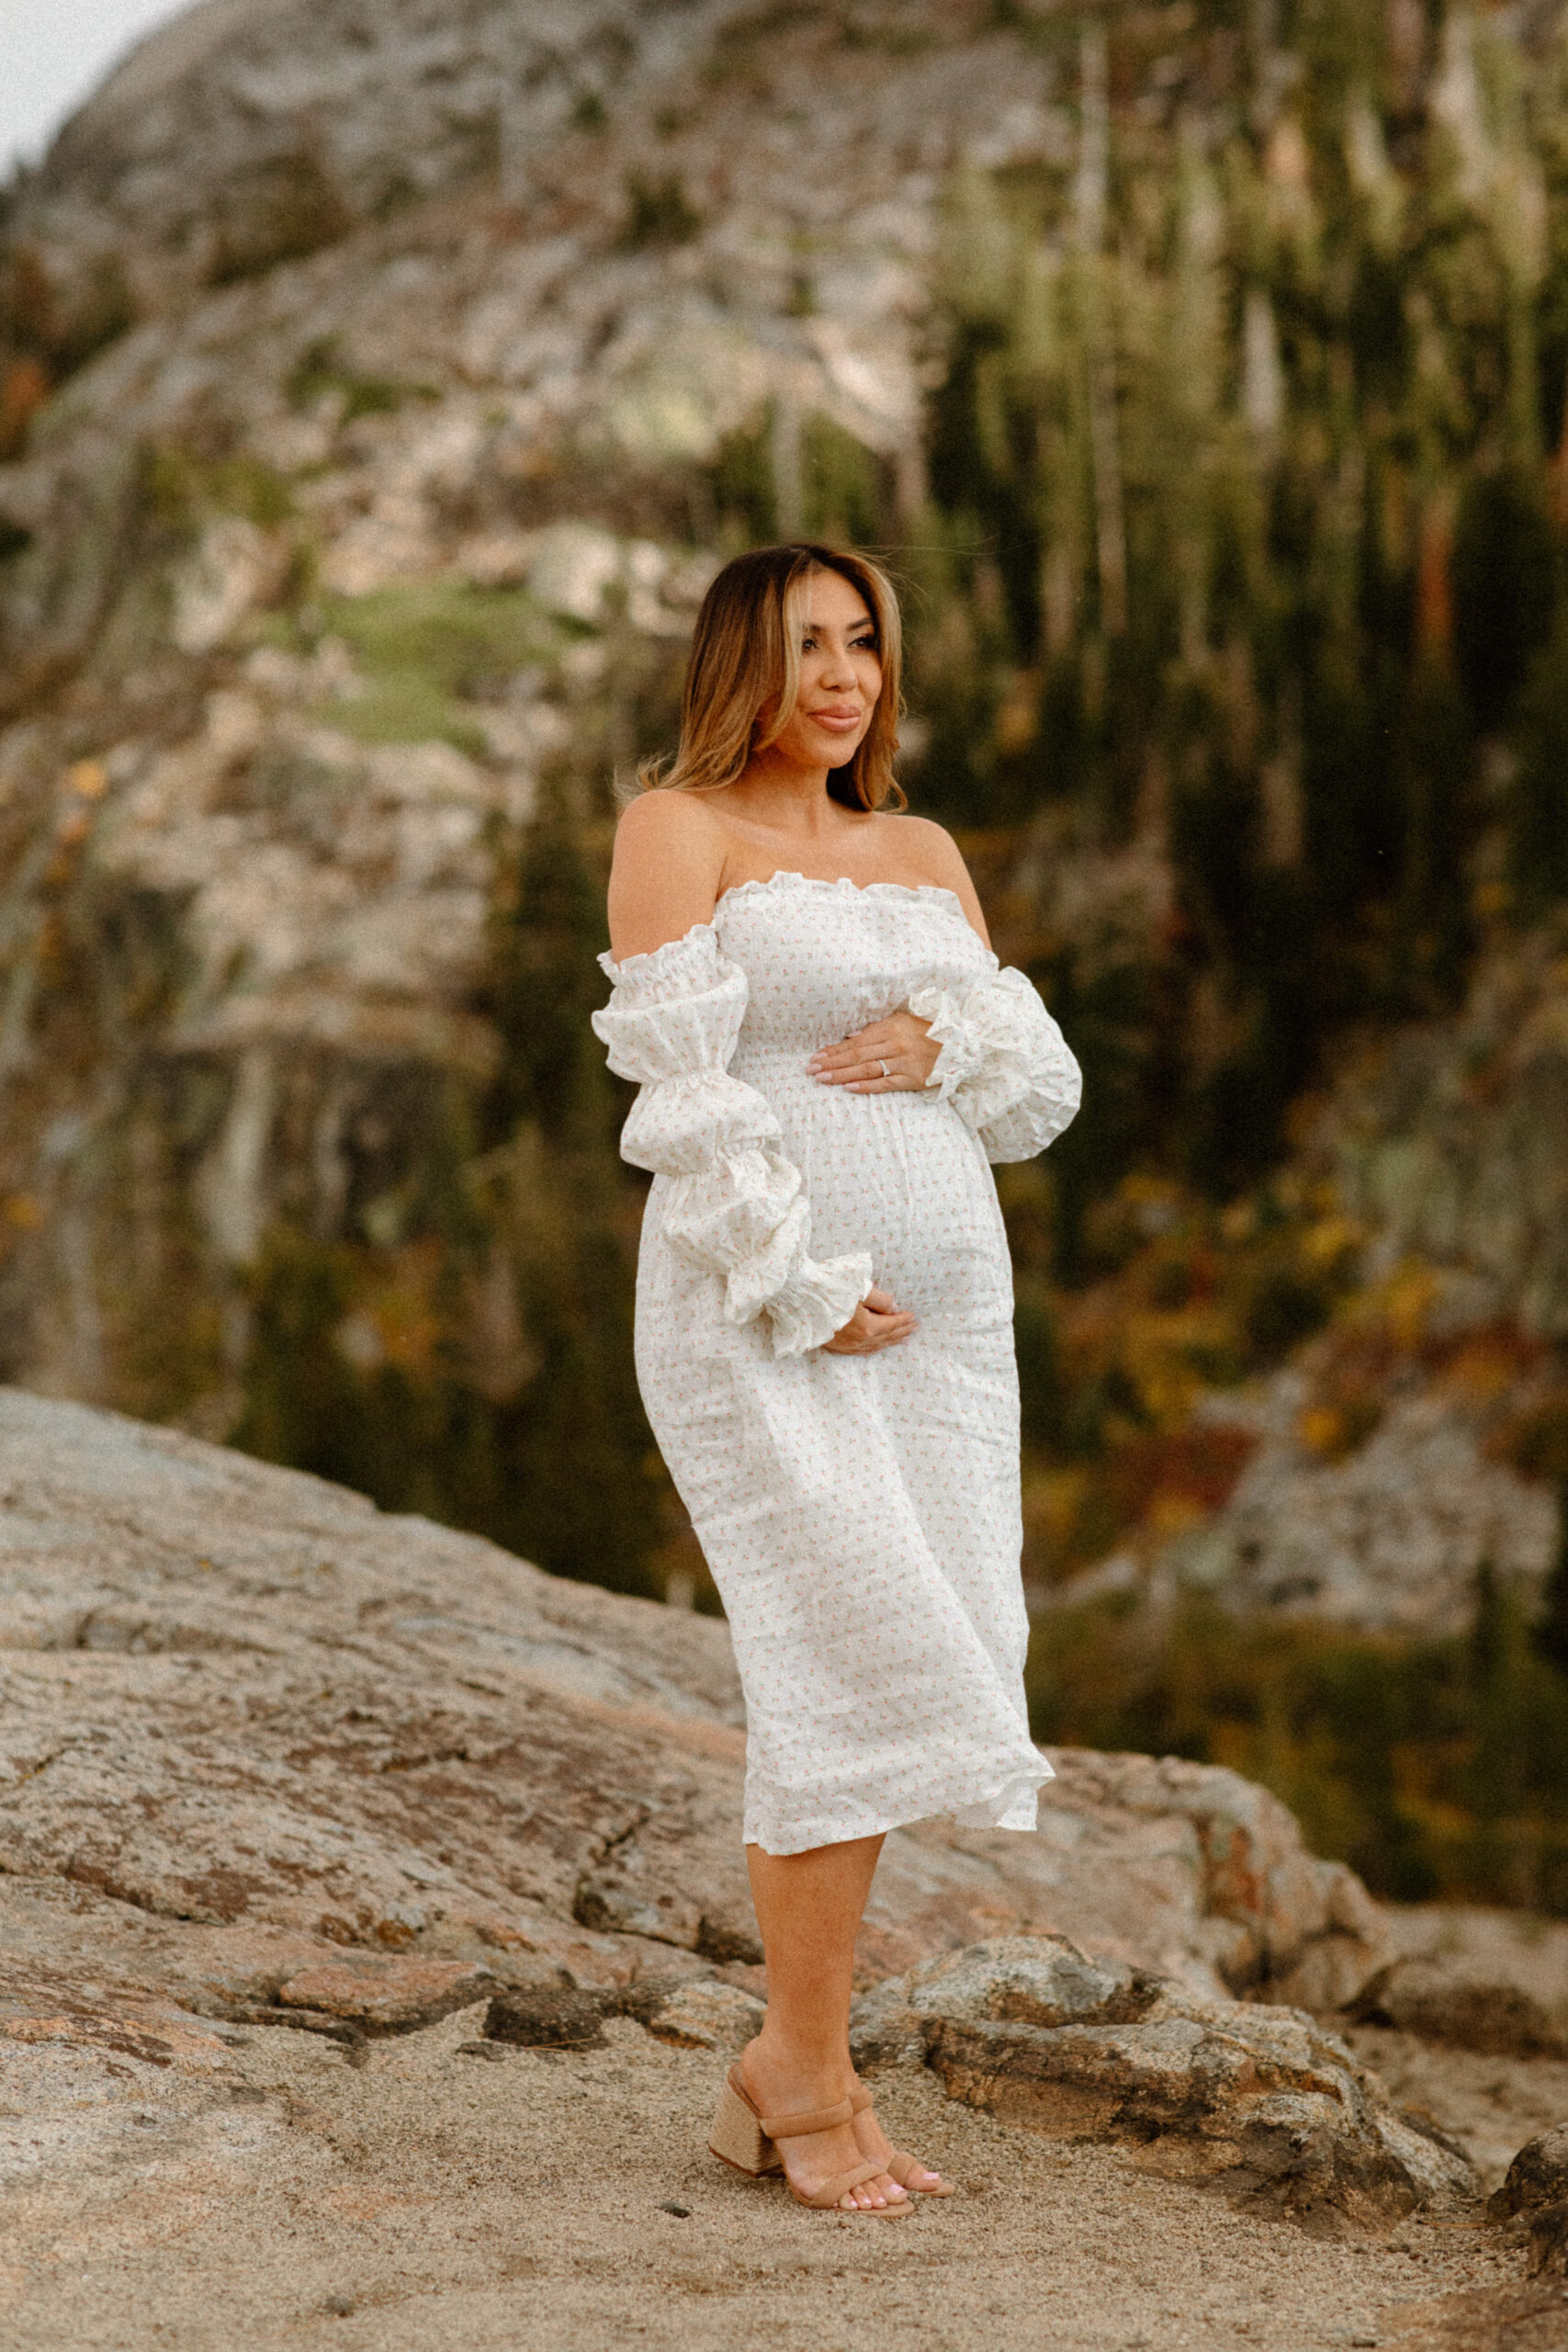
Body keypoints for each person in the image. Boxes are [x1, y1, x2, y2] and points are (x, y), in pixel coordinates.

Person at [592, 543, 1081, 2216]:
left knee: (906, 1652)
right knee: (840, 1648)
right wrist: (801, 1284)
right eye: (806, 645)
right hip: (761, 1310)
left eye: (864, 642)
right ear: (743, 661)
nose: (842, 675)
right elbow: (681, 1094)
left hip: (946, 1332)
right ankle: (805, 2071)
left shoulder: (920, 845)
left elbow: (1034, 1078)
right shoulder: (681, 829)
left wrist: (954, 1045)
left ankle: (790, 2067)